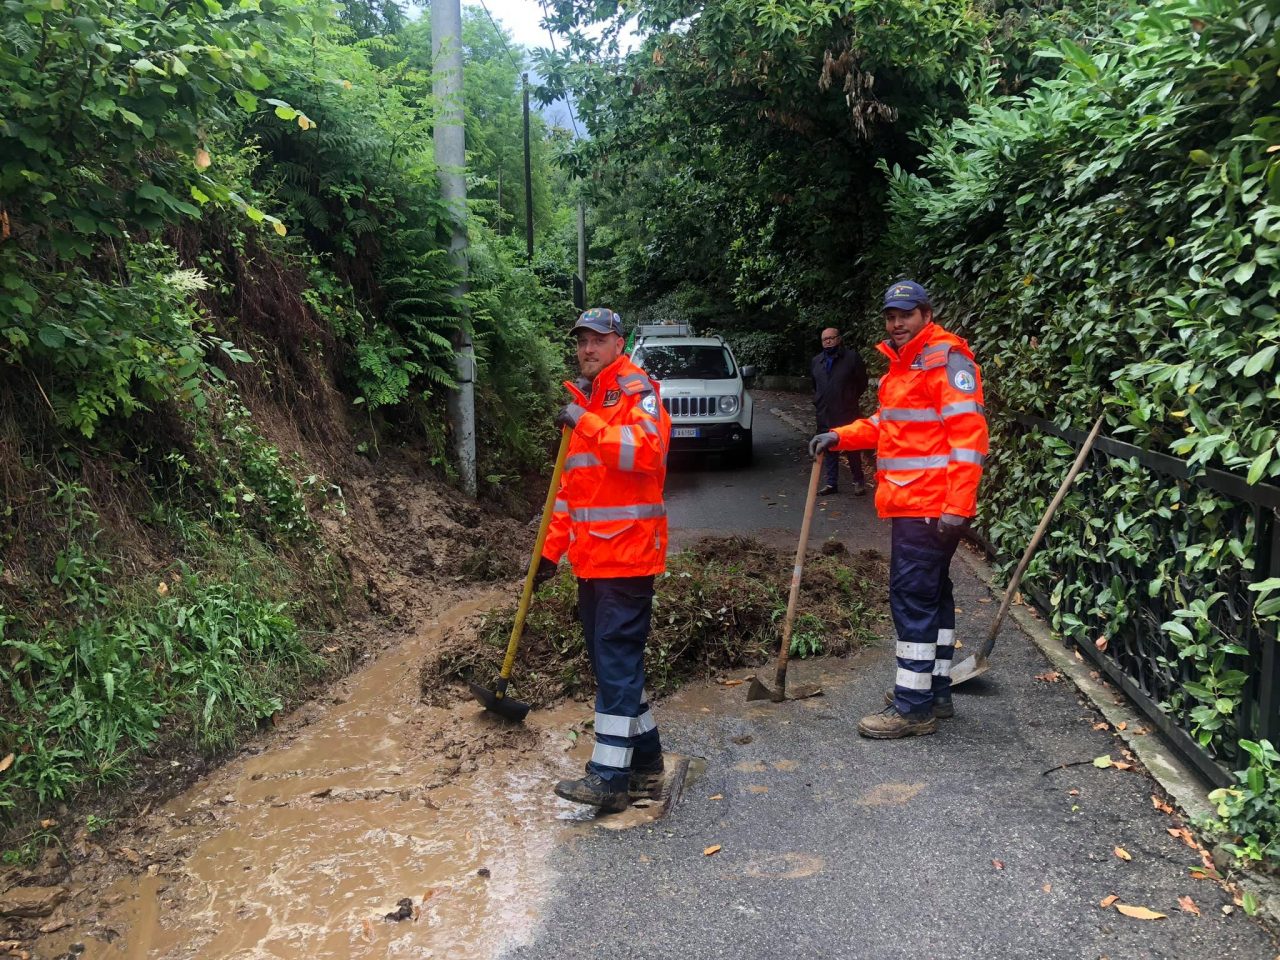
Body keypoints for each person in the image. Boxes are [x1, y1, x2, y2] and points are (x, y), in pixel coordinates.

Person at [809, 280, 988, 739]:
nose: (896, 324)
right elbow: (886, 425)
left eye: (905, 315)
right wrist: (839, 437)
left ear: (926, 315)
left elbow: (969, 437)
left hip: (928, 506)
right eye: (890, 316)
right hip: (919, 504)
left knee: (911, 598)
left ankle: (912, 708)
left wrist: (957, 506)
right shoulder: (904, 367)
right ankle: (936, 692)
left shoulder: (945, 361)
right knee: (933, 595)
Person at [533, 307, 672, 812]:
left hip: (629, 555)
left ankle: (609, 778)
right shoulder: (587, 400)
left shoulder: (635, 391)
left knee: (615, 664)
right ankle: (648, 763)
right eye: (581, 342)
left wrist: (587, 422)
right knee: (612, 665)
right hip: (592, 561)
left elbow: (648, 452)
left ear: (619, 343)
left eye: (597, 340)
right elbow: (570, 494)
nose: (587, 349)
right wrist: (551, 553)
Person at [811, 327, 868, 496]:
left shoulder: (851, 358)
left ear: (839, 339)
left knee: (852, 448)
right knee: (829, 449)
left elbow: (861, 382)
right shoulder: (816, 361)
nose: (828, 341)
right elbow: (815, 385)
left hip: (846, 411)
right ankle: (831, 483)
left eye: (831, 338)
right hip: (825, 412)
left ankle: (858, 481)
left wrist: (849, 398)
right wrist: (819, 401)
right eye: (824, 339)